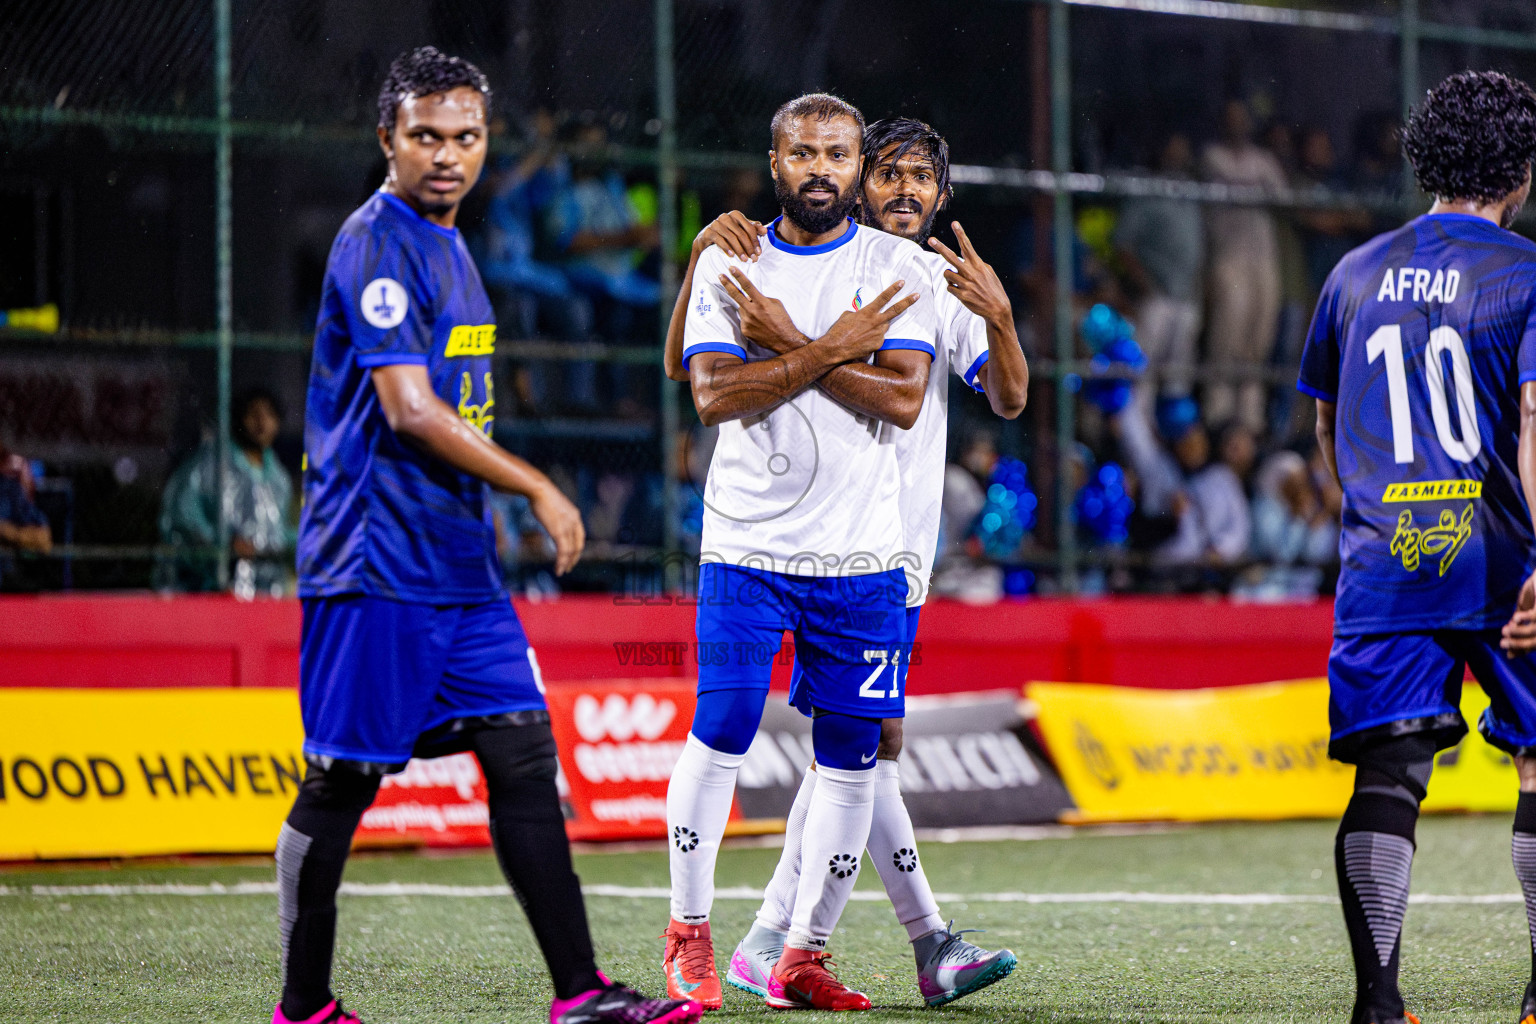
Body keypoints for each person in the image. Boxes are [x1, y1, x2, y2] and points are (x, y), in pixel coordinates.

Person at [274, 47, 699, 1024]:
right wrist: (540, 487)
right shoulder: (375, 241)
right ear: (387, 139)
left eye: (465, 136)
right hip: (371, 559)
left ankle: (581, 993)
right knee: (341, 779)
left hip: (457, 567)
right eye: (425, 135)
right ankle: (304, 1006)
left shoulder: (454, 246)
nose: (447, 155)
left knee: (521, 751)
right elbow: (411, 408)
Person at [664, 117, 1027, 1007]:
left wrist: (1002, 315)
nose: (904, 191)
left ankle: (785, 943)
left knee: (862, 747)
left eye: (921, 179)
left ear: (942, 196)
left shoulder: (923, 277)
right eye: (889, 173)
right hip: (772, 542)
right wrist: (808, 336)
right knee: (810, 730)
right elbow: (697, 379)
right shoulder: (742, 252)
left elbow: (992, 397)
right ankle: (880, 938)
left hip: (886, 549)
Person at [1300, 70, 1536, 1024]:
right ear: (1519, 170)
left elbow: (1325, 430)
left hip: (1389, 557)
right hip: (1503, 558)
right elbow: (1532, 416)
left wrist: (1369, 522)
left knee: (1388, 777)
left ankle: (1379, 1004)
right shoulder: (1523, 274)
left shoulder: (1352, 273)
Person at [1202, 99, 1288, 433]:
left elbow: (1282, 198)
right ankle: (1218, 417)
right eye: (1231, 118)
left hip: (1261, 257)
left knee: (1259, 339)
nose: (1238, 124)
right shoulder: (1213, 156)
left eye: (1243, 118)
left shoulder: (1262, 159)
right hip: (1228, 256)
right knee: (1227, 337)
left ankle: (1251, 420)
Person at [159, 388, 296, 594]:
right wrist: (223, 545)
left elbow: (280, 531)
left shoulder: (279, 478)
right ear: (239, 419)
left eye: (269, 414)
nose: (261, 422)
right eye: (253, 414)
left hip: (268, 593)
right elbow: (183, 518)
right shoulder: (211, 465)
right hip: (214, 591)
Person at [1114, 133, 1204, 421]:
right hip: (1156, 298)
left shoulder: (1191, 193)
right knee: (1143, 374)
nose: (1180, 155)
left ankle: (1173, 436)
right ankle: (1136, 433)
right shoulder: (1147, 191)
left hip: (1186, 297)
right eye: (1174, 149)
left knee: (1179, 378)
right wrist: (1147, 288)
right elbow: (1123, 246)